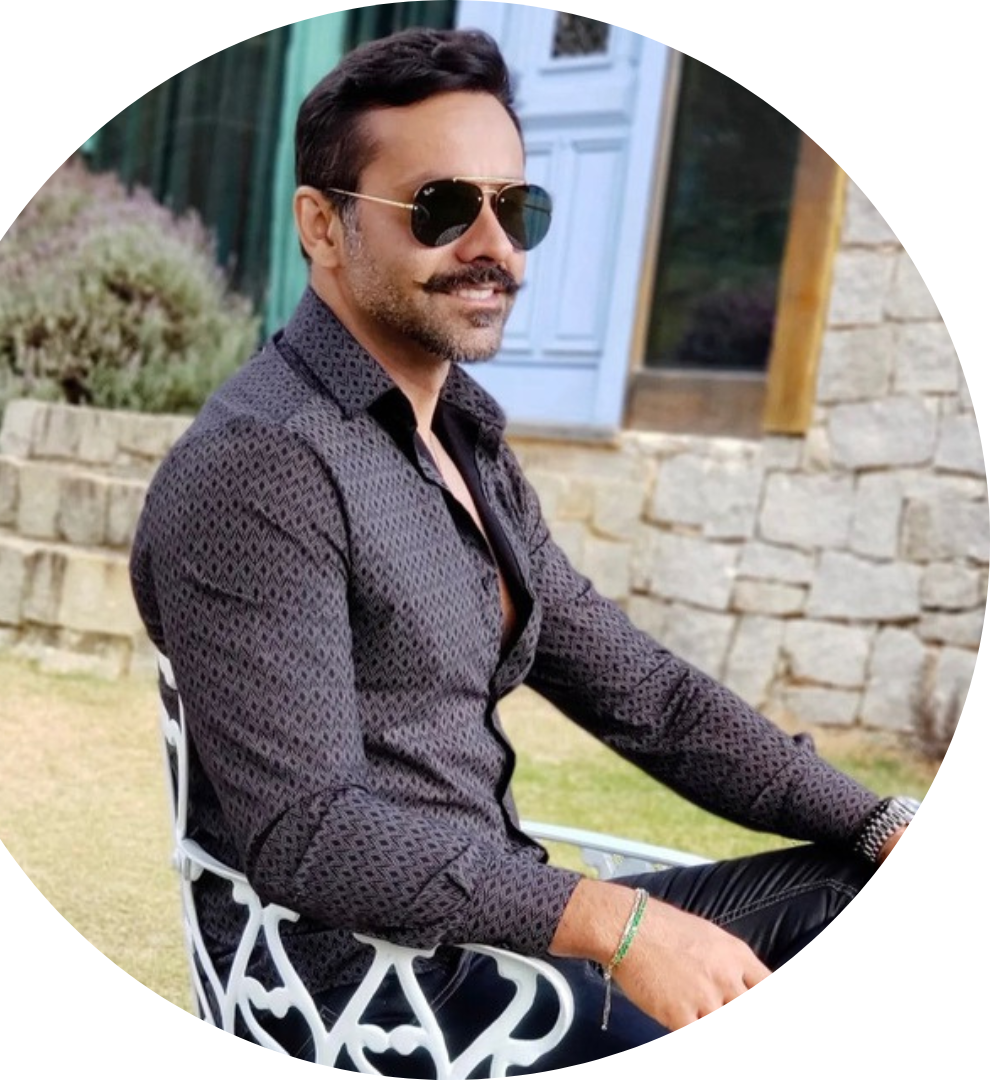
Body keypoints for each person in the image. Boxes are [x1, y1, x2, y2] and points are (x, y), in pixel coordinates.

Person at [129, 26, 916, 1066]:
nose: (493, 246)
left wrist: (879, 818)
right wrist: (617, 925)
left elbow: (653, 699)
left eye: (517, 208)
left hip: (500, 941)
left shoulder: (464, 438)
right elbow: (310, 834)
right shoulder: (262, 466)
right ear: (322, 226)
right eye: (443, 208)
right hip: (378, 1001)